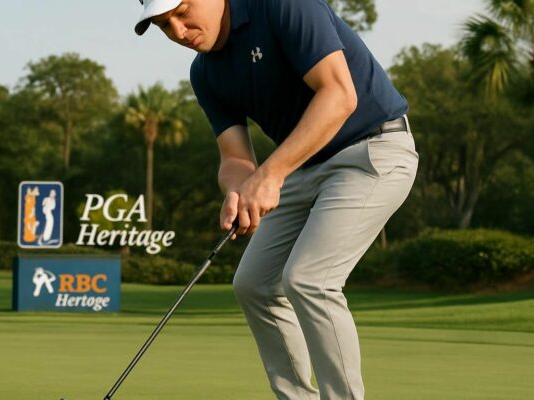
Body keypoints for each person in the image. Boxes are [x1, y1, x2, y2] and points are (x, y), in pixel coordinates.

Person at [134, 0, 418, 398]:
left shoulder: (282, 6)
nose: (179, 32)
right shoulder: (205, 73)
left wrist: (269, 176)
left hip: (373, 149)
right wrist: (238, 191)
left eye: (182, 12)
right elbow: (235, 157)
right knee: (253, 284)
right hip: (302, 168)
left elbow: (339, 97)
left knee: (309, 280)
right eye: (165, 26)